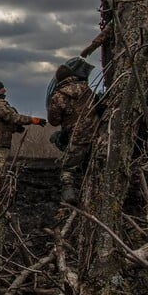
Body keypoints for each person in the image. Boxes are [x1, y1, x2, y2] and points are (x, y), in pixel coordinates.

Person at [46, 58, 99, 204]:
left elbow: (54, 120)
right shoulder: (86, 89)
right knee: (93, 165)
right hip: (97, 134)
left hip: (77, 136)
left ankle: (69, 196)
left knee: (68, 168)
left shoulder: (58, 95)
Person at [0, 80, 47, 190]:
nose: (5, 89)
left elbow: (1, 122)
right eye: (3, 87)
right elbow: (12, 117)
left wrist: (15, 128)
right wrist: (33, 120)